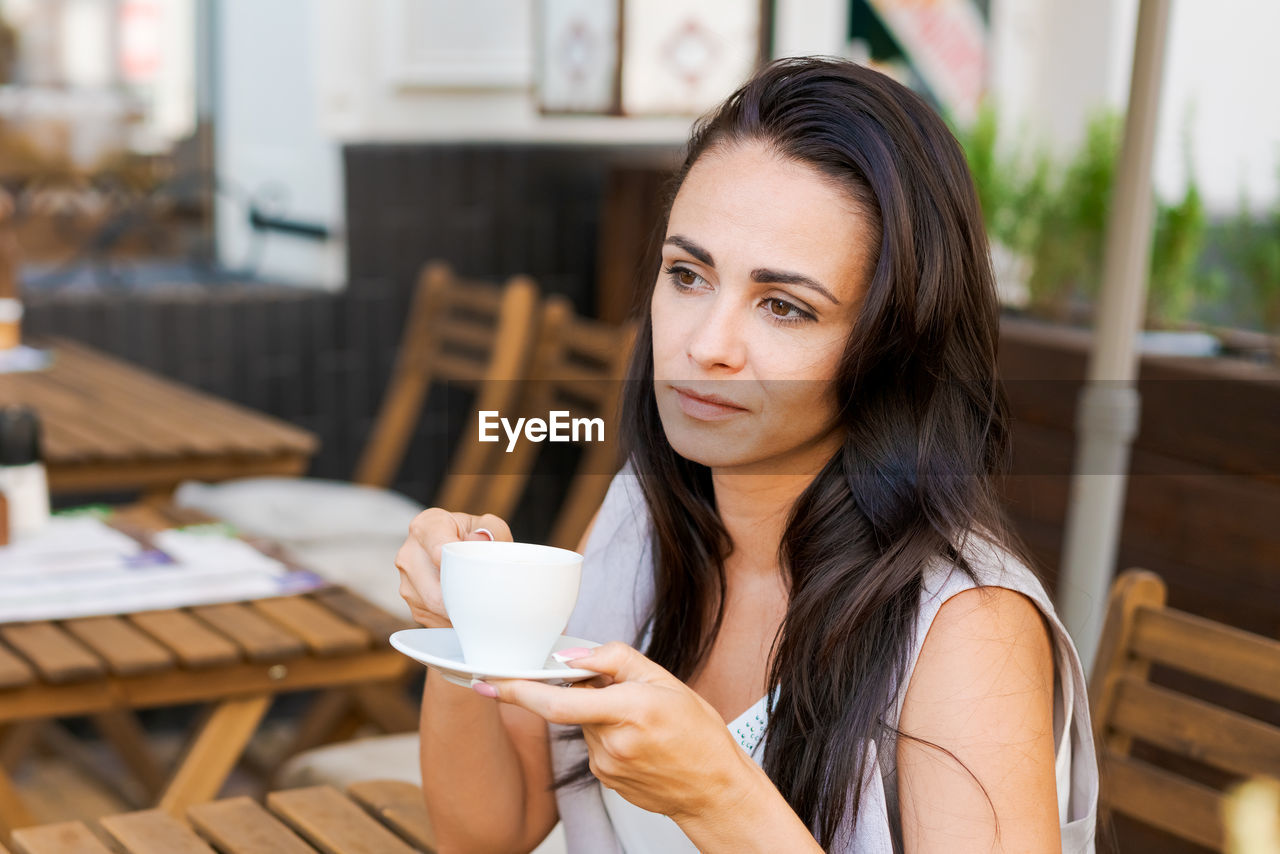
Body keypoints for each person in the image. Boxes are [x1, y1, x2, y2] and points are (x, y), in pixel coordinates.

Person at [395, 56, 1098, 853]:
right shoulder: (644, 514)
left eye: (784, 306)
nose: (706, 345)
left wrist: (721, 799)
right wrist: (459, 634)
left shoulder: (967, 626)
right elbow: (486, 832)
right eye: (688, 275)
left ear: (894, 345)